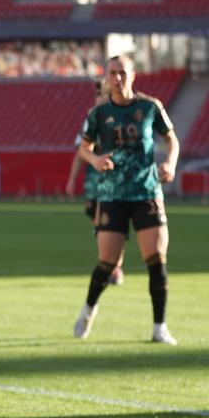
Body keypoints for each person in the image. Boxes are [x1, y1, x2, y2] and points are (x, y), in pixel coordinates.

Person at [73, 54, 180, 345]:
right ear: (106, 78)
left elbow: (172, 139)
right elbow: (84, 148)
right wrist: (94, 160)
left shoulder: (150, 107)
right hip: (111, 195)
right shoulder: (98, 114)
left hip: (146, 192)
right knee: (107, 261)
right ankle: (89, 308)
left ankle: (160, 327)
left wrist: (170, 163)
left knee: (157, 260)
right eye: (112, 73)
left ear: (133, 75)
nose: (117, 78)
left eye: (122, 73)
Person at [66, 80, 124, 285]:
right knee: (97, 219)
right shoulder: (91, 118)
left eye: (103, 94)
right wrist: (72, 179)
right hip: (93, 177)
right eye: (98, 94)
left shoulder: (118, 116)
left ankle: (114, 267)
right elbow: (80, 152)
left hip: (112, 176)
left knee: (110, 220)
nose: (100, 98)